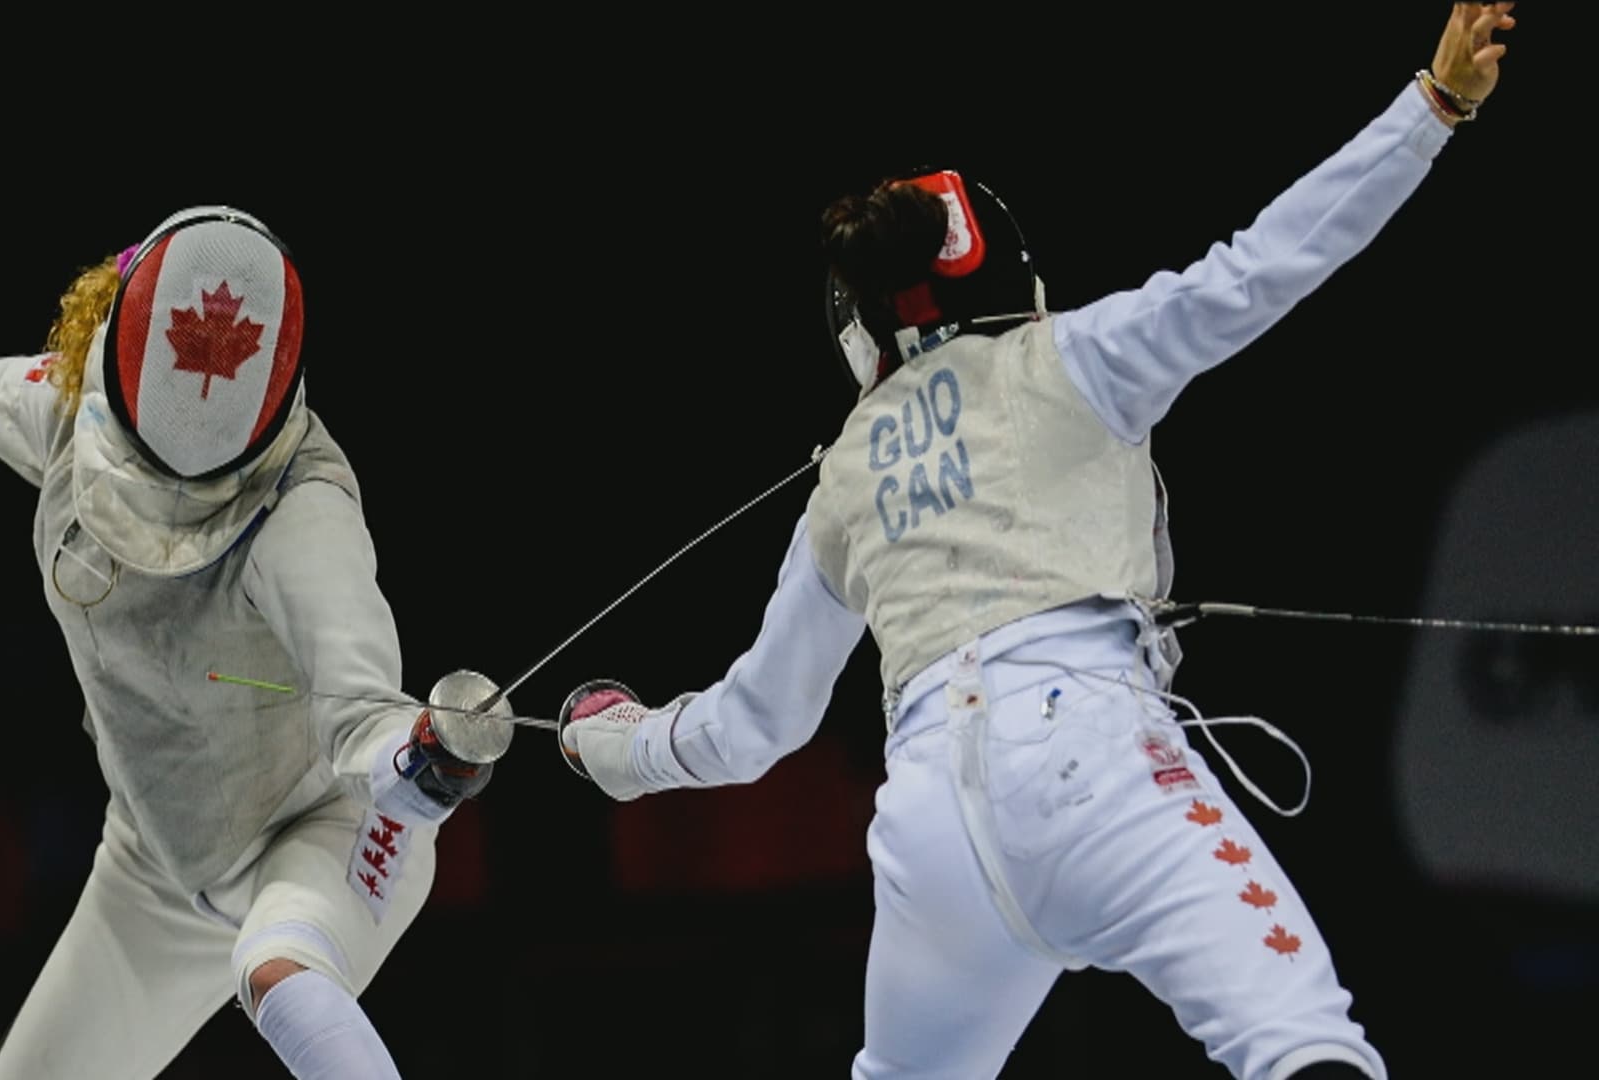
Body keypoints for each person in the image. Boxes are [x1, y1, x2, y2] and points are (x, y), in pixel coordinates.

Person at [556, 5, 1517, 1078]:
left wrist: (608, 744)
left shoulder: (842, 478)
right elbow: (1262, 267)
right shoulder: (1078, 356)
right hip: (1096, 764)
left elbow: (749, 730)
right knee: (1303, 1047)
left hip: (931, 830)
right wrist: (1428, 111)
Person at [0, 158, 521, 1079]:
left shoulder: (303, 508)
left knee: (279, 972)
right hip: (155, 868)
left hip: (320, 832)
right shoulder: (68, 409)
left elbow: (363, 714)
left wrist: (420, 762)